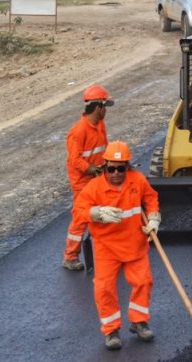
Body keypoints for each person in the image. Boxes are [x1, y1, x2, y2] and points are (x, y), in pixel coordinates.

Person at [73, 141, 160, 351]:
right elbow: (78, 212)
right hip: (107, 248)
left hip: (135, 244)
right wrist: (95, 213)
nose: (116, 173)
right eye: (111, 168)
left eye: (121, 168)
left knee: (143, 282)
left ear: (128, 167)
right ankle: (111, 330)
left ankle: (139, 321)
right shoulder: (94, 188)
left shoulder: (137, 181)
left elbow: (151, 198)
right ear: (104, 167)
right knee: (104, 289)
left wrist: (154, 218)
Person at [62, 84, 113, 271]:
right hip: (83, 182)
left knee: (104, 213)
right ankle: (70, 257)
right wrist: (92, 169)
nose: (106, 110)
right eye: (105, 106)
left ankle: (106, 252)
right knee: (81, 218)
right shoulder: (78, 132)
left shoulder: (100, 126)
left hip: (98, 178)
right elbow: (74, 160)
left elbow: (104, 148)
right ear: (98, 107)